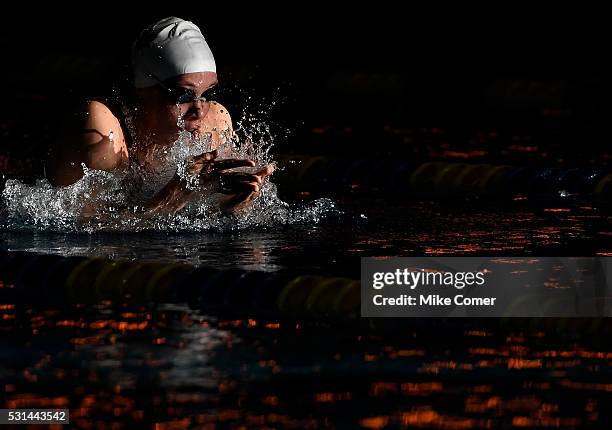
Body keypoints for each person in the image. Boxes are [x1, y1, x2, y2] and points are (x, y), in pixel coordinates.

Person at [46, 16, 274, 215]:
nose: (200, 111)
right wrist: (174, 196)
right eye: (183, 96)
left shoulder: (216, 119)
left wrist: (235, 205)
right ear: (142, 92)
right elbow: (81, 227)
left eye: (208, 94)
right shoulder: (104, 132)